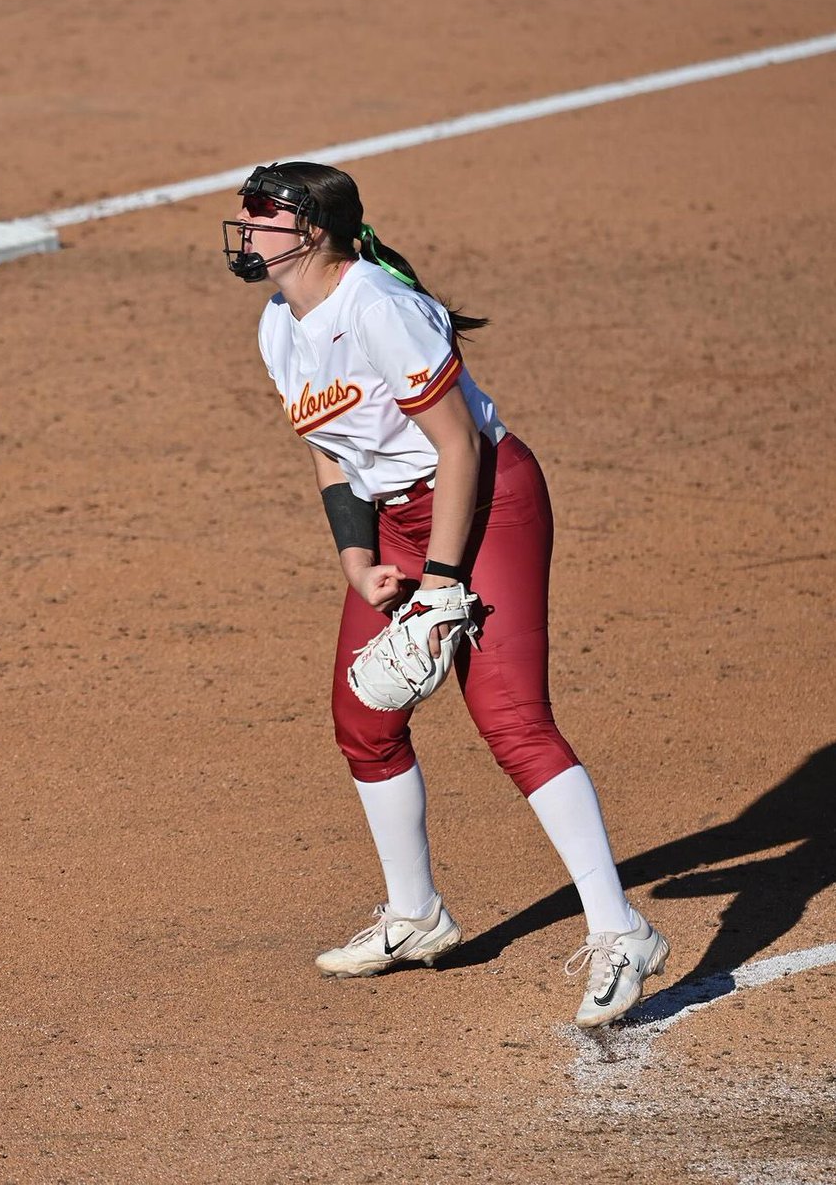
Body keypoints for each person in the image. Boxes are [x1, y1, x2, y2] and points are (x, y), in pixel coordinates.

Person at [222, 162, 670, 1027]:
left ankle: (622, 932)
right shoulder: (280, 323)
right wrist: (358, 559)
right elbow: (331, 450)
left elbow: (460, 446)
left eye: (262, 216)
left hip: (485, 501)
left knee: (509, 716)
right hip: (393, 517)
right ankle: (415, 915)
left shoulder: (379, 308)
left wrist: (439, 581)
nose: (246, 230)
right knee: (364, 719)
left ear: (315, 230)